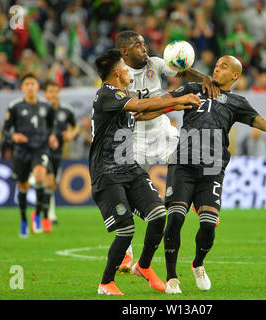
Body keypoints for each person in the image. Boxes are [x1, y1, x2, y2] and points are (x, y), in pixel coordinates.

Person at [161, 56, 266, 294]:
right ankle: (172, 278)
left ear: (235, 75)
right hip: (183, 162)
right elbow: (163, 98)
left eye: (224, 66)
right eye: (217, 64)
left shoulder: (237, 102)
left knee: (209, 225)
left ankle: (198, 263)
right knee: (176, 218)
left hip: (212, 168)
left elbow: (265, 125)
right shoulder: (193, 88)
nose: (217, 67)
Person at [91, 49, 201, 296]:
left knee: (158, 214)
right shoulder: (106, 95)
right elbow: (141, 105)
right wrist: (174, 100)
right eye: (125, 68)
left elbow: (141, 114)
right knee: (126, 228)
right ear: (118, 71)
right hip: (107, 172)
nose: (129, 72)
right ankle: (106, 283)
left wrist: (179, 103)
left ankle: (144, 265)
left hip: (128, 167)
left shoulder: (121, 95)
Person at [114, 30, 220, 272]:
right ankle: (126, 255)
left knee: (189, 157)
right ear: (125, 51)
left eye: (144, 43)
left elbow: (181, 71)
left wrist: (203, 76)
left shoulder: (155, 63)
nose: (144, 48)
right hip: (134, 138)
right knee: (126, 192)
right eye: (139, 45)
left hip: (161, 129)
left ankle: (203, 204)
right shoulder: (117, 73)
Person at [2, 73, 59, 238]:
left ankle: (39, 215)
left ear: (37, 86)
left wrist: (52, 137)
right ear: (22, 87)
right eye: (26, 84)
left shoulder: (46, 107)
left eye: (32, 83)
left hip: (40, 148)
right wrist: (13, 136)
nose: (30, 87)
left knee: (40, 177)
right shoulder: (15, 107)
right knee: (23, 186)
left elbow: (51, 127)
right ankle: (23, 220)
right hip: (22, 150)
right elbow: (5, 130)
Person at [43, 81, 79, 228]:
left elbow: (76, 127)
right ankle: (48, 216)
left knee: (53, 184)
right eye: (50, 91)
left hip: (58, 152)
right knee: (49, 182)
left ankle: (45, 210)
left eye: (56, 91)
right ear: (45, 94)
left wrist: (70, 135)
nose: (53, 94)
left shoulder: (66, 111)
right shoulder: (40, 110)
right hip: (42, 150)